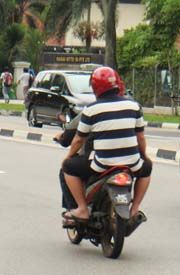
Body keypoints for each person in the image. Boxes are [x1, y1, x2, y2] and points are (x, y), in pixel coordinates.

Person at [61, 67, 152, 224]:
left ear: (95, 88)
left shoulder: (91, 110)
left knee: (68, 167)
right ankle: (135, 207)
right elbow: (141, 138)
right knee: (147, 168)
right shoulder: (134, 106)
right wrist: (144, 156)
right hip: (132, 164)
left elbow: (78, 140)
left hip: (102, 164)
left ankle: (82, 209)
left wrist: (68, 157)